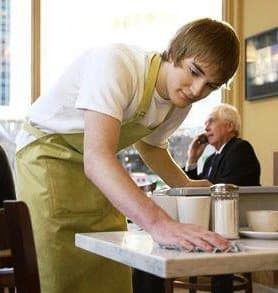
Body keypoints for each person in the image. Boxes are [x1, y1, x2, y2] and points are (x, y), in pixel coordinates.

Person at [15, 18, 240, 293]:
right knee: (61, 271)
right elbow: (97, 158)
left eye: (210, 86)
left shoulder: (178, 103)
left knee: (111, 262)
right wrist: (160, 224)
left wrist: (186, 185)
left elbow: (151, 145)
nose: (196, 90)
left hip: (97, 168)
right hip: (47, 156)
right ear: (174, 51)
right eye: (194, 72)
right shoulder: (117, 64)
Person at [184, 103, 260, 185]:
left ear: (229, 126)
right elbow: (192, 188)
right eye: (205, 124)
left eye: (211, 121)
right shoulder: (210, 160)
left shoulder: (241, 149)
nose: (206, 128)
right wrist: (192, 159)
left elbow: (226, 188)